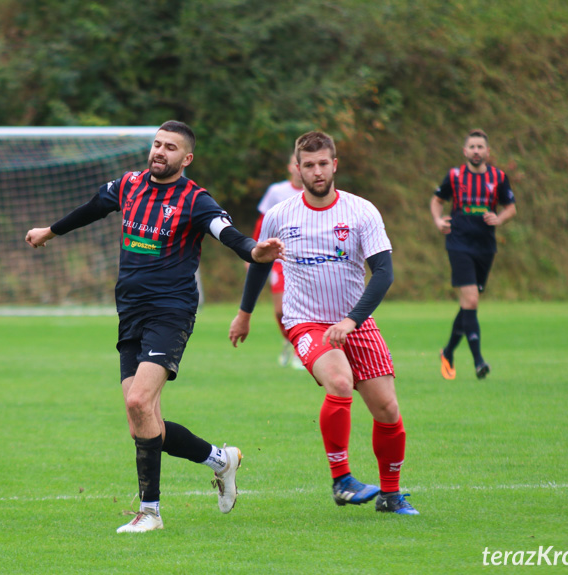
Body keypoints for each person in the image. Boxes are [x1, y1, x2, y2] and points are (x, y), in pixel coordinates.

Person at [25, 120, 285, 533]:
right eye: (157, 144)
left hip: (171, 311)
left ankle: (150, 513)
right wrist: (49, 232)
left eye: (170, 147)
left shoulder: (196, 200)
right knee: (143, 424)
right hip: (130, 311)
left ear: (187, 158)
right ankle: (222, 459)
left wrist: (254, 250)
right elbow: (93, 207)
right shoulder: (128, 185)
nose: (160, 152)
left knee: (137, 404)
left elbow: (227, 233)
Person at [229, 130, 418, 515]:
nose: (316, 171)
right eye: (308, 165)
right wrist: (245, 314)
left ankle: (390, 495)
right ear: (297, 170)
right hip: (306, 322)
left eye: (323, 163)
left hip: (356, 321)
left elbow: (383, 273)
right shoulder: (280, 216)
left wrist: (351, 321)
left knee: (388, 410)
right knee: (340, 382)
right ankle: (342, 481)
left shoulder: (362, 211)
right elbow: (259, 265)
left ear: (335, 165)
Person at [429, 129, 516, 380]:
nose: (476, 151)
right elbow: (437, 200)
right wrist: (437, 220)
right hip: (458, 243)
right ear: (465, 151)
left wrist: (498, 218)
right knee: (472, 302)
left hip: (485, 246)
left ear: (488, 152)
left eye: (481, 147)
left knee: (468, 304)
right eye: (472, 147)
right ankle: (478, 361)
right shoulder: (455, 176)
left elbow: (511, 208)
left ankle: (447, 352)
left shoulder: (498, 177)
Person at [252, 153, 305, 369]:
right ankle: (289, 338)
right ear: (290, 167)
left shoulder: (315, 193)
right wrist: (254, 250)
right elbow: (262, 222)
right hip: (278, 259)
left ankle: (300, 351)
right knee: (280, 311)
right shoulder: (277, 191)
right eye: (296, 163)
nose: (299, 168)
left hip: (304, 259)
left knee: (301, 308)